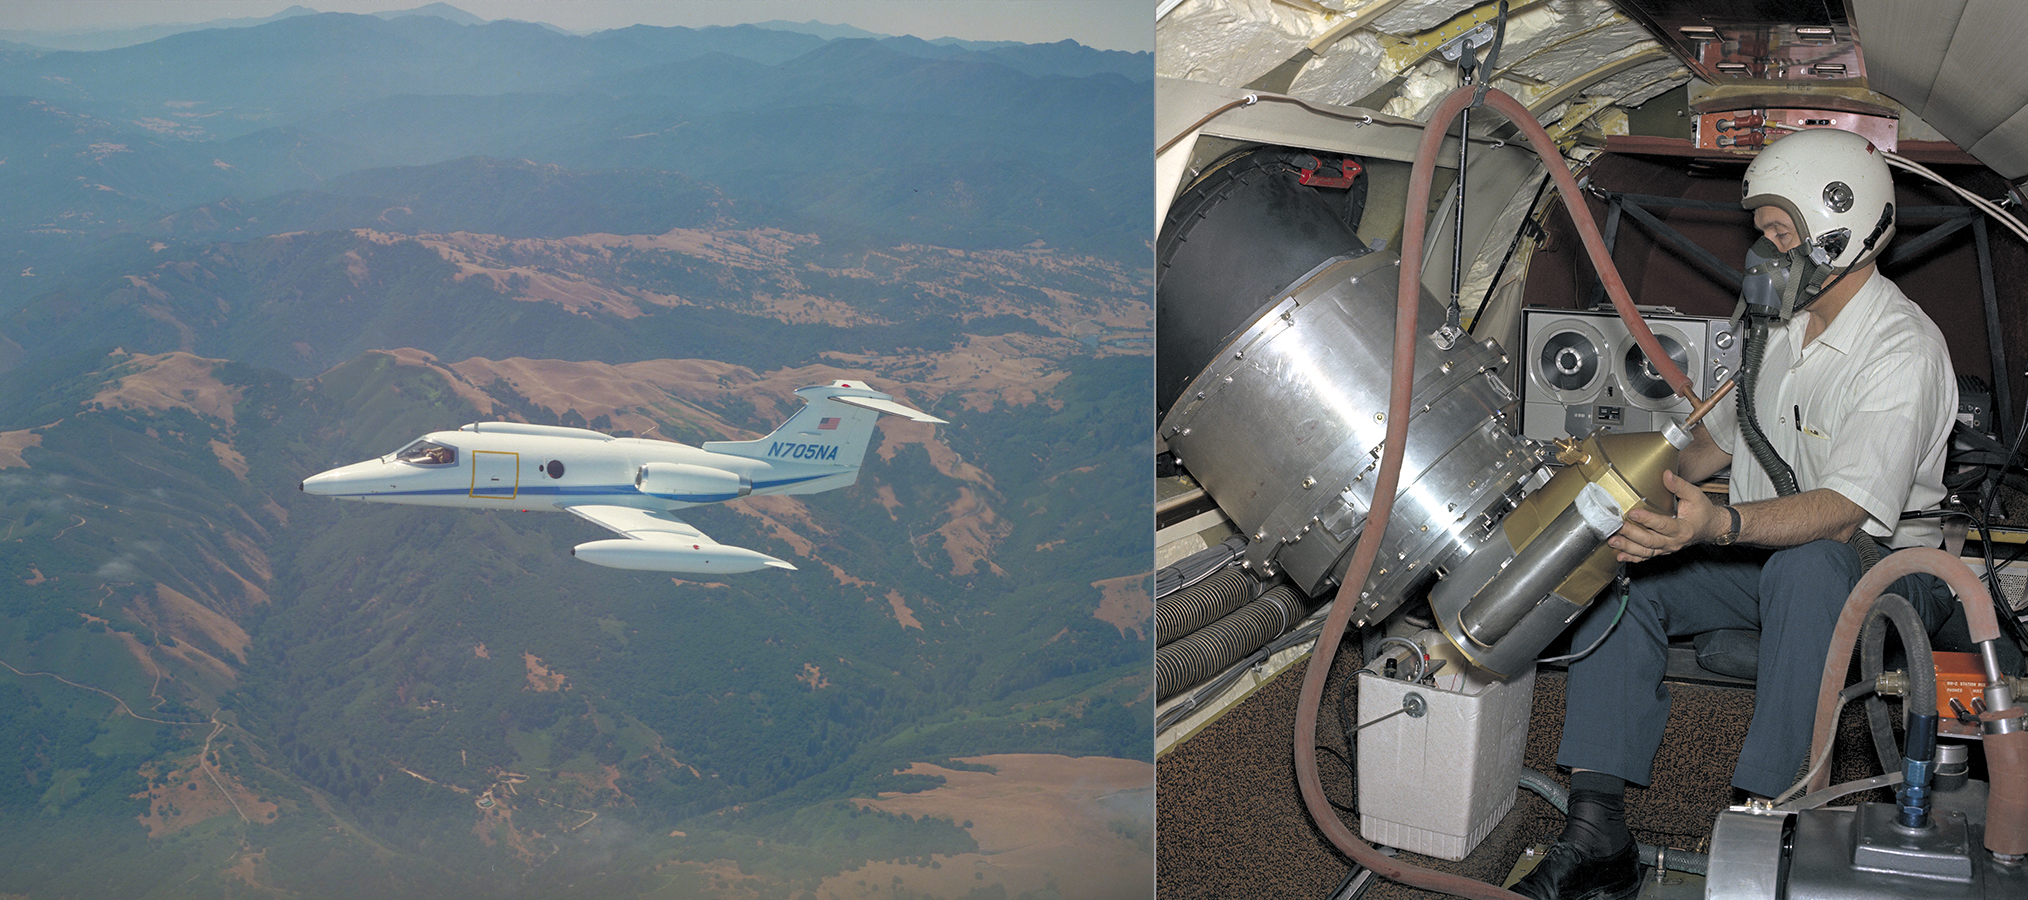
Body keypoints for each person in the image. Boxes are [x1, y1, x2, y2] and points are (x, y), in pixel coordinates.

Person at [1513, 127, 1960, 900]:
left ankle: (1769, 819)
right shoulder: (1773, 327)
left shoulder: (1903, 349)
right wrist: (1616, 482)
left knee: (1811, 562)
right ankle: (1597, 830)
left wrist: (1718, 527)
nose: (1764, 256)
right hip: (1766, 557)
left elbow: (1847, 514)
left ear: (1841, 233)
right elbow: (1706, 450)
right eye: (1763, 236)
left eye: (1781, 236)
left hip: (1887, 573)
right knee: (1628, 572)